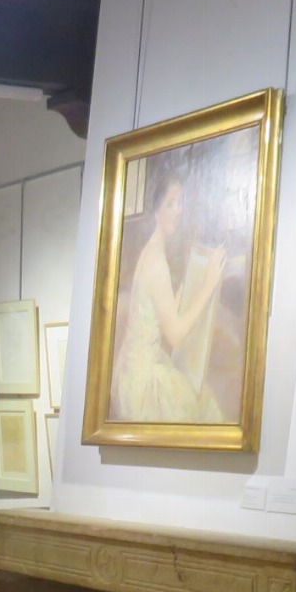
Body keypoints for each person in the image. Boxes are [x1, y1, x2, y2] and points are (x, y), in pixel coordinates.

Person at [111, 172, 229, 424]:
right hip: (143, 386)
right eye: (170, 204)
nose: (178, 211)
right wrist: (208, 286)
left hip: (132, 372)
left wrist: (174, 306)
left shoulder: (151, 251)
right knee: (200, 402)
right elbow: (174, 336)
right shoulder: (156, 264)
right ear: (156, 212)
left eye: (180, 203)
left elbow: (150, 319)